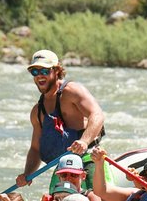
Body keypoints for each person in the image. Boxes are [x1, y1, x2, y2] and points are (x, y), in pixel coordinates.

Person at [16, 49, 107, 192]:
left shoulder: (71, 91)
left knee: (98, 200)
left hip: (89, 158)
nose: (39, 75)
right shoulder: (37, 112)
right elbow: (35, 148)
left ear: (56, 71)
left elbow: (97, 115)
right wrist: (27, 174)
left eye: (44, 71)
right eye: (35, 72)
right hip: (64, 165)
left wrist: (84, 141)